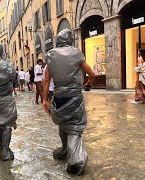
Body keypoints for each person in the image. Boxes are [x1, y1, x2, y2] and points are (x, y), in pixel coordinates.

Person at [42, 29, 95, 175]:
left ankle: (65, 150)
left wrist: (45, 99)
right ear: (70, 40)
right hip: (74, 97)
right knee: (75, 127)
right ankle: (75, 161)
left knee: (63, 123)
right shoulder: (76, 53)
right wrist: (88, 83)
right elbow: (92, 73)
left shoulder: (50, 55)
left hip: (58, 97)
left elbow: (46, 80)